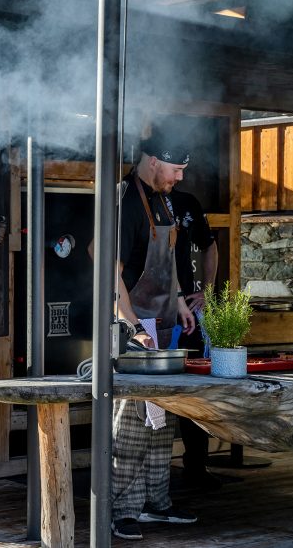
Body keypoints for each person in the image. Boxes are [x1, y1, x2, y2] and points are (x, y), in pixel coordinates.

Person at [93, 126, 198, 541]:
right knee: (133, 425)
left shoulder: (162, 200)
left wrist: (177, 302)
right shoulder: (124, 202)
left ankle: (157, 503)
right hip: (132, 327)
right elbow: (107, 270)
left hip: (163, 324)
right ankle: (121, 510)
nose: (180, 178)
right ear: (154, 161)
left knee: (161, 422)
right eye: (176, 168)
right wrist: (132, 325)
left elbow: (164, 262)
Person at [169, 184, 221, 491]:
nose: (175, 176)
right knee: (152, 394)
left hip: (187, 310)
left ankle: (196, 465)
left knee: (195, 385)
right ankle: (152, 474)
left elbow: (210, 245)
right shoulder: (134, 197)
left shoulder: (186, 201)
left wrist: (208, 290)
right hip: (150, 310)